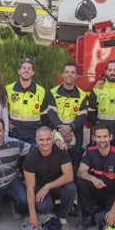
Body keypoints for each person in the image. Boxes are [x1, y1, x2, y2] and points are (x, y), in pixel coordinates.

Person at [75, 123, 115, 230]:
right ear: (94, 138)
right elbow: (80, 172)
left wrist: (114, 210)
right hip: (97, 190)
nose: (102, 140)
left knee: (110, 225)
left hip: (113, 194)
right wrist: (93, 179)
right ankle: (88, 217)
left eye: (105, 136)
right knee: (82, 181)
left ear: (111, 137)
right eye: (98, 137)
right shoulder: (90, 152)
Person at [50, 62, 89, 215]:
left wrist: (70, 128)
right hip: (58, 136)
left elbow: (82, 116)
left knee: (73, 168)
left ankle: (73, 202)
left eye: (73, 72)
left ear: (76, 76)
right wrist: (61, 129)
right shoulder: (52, 92)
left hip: (75, 136)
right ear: (62, 74)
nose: (69, 75)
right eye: (67, 72)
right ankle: (56, 200)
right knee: (56, 167)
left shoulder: (82, 94)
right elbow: (51, 114)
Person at [22, 126, 77, 230]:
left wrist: (48, 186)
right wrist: (32, 215)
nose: (45, 143)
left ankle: (62, 216)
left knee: (71, 188)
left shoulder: (61, 150)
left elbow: (69, 176)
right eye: (41, 140)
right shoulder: (31, 157)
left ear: (52, 139)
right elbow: (30, 187)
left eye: (48, 139)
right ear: (36, 140)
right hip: (39, 187)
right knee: (44, 207)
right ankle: (49, 212)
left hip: (56, 185)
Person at [6, 58, 58, 144]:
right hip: (14, 133)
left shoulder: (41, 91)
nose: (26, 70)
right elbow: (3, 109)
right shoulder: (8, 89)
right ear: (19, 71)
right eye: (24, 68)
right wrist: (6, 122)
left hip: (34, 134)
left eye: (29, 68)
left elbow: (44, 114)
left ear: (33, 73)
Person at [86, 60, 115, 153]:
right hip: (102, 131)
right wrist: (99, 124)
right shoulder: (98, 88)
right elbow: (89, 110)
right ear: (106, 71)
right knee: (100, 156)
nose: (112, 73)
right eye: (110, 70)